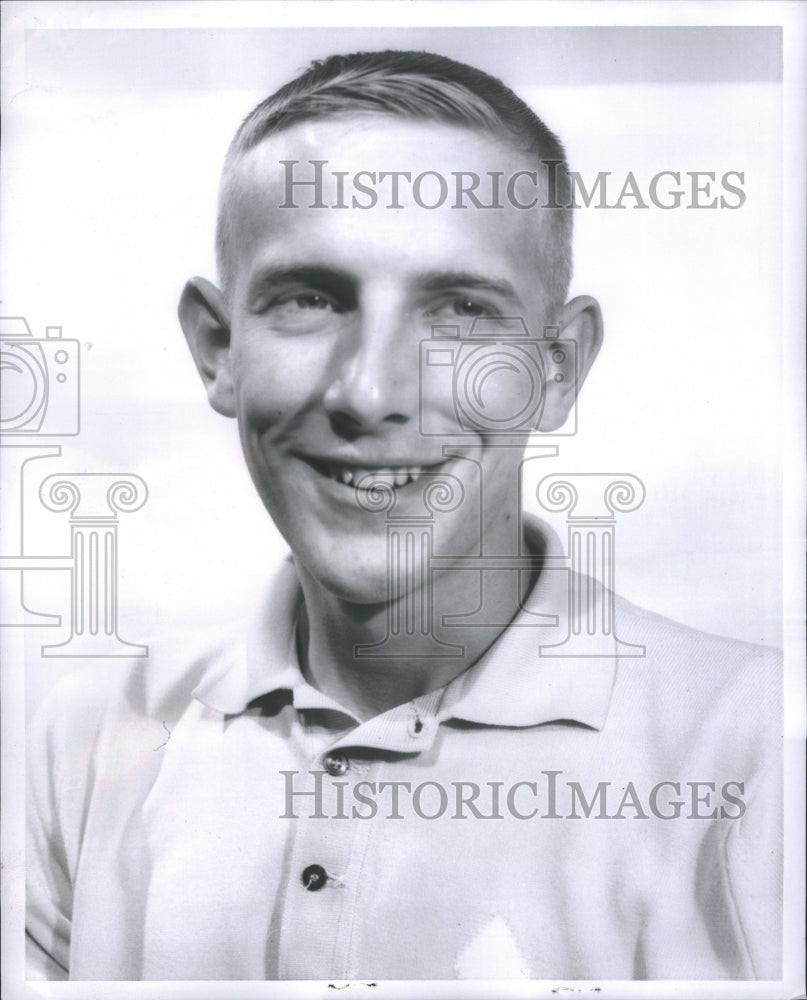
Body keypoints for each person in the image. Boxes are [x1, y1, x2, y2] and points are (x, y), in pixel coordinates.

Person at [26, 49, 782, 981]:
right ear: (219, 349)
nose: (370, 390)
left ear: (557, 371)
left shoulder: (763, 758)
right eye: (308, 299)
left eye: (459, 310)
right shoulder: (85, 746)